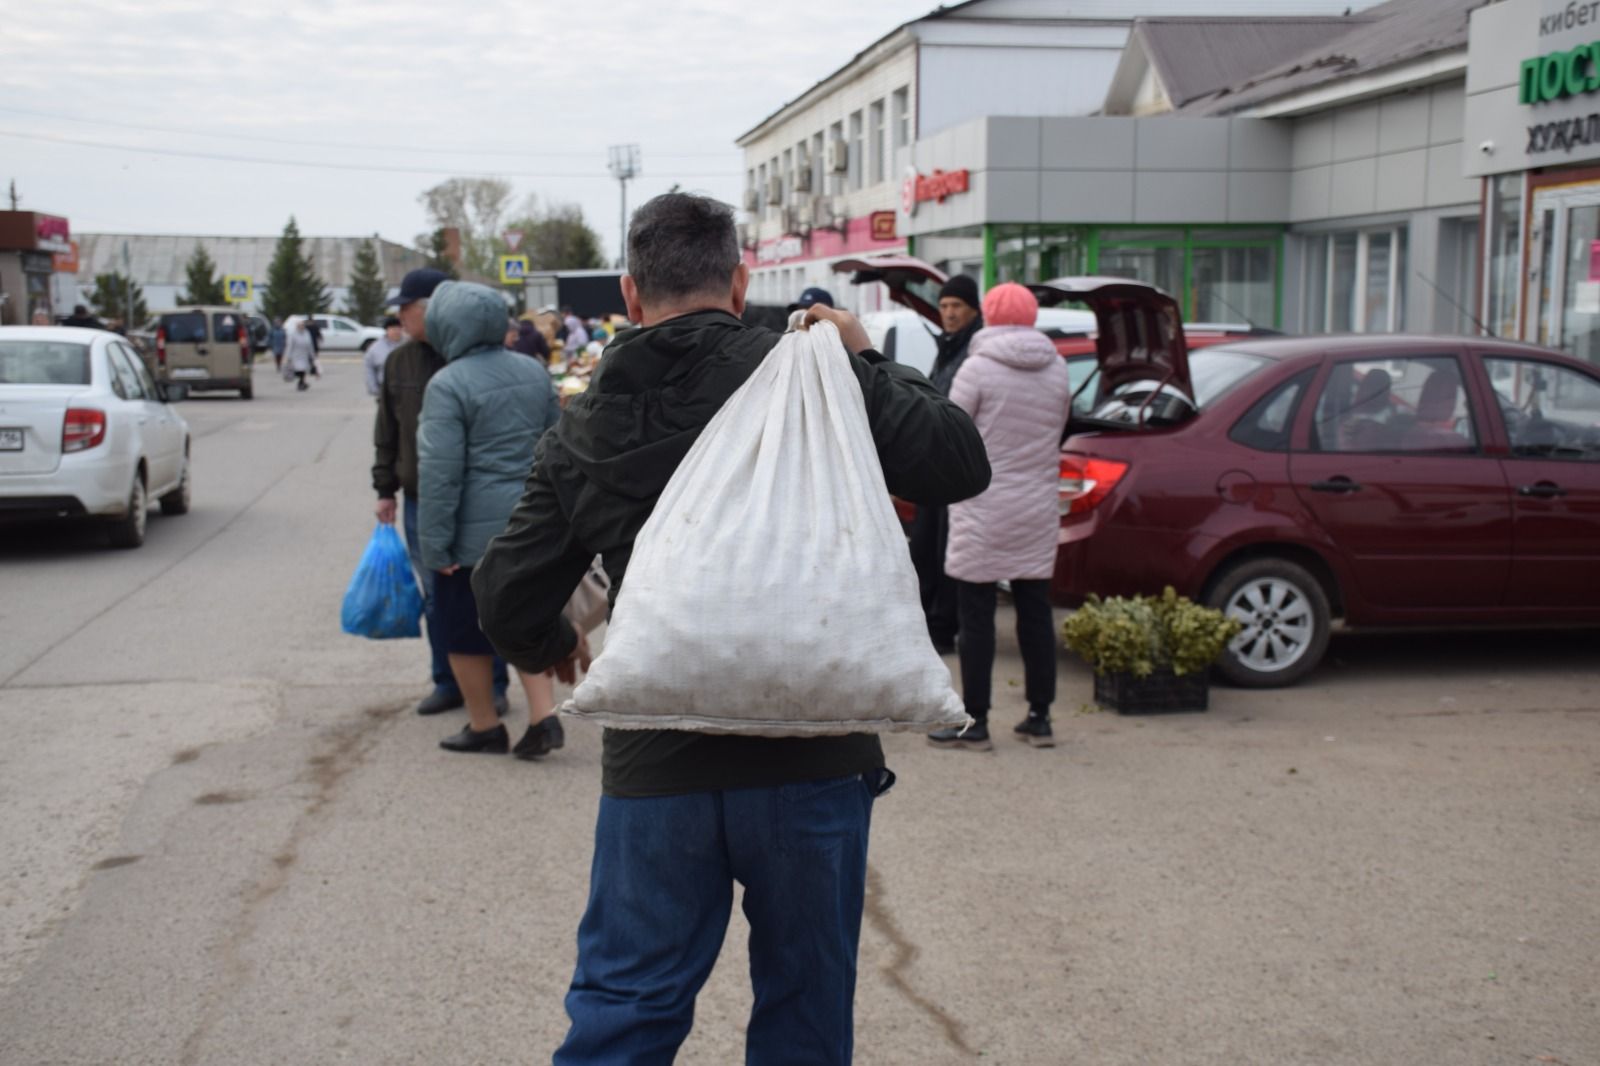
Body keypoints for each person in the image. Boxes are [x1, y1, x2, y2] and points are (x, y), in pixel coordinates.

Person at [473, 192, 989, 1063]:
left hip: (657, 765)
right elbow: (959, 462)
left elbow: (506, 595)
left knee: (627, 1007)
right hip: (813, 755)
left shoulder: (587, 422)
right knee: (804, 1008)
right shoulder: (814, 377)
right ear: (741, 283)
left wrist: (549, 646)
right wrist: (864, 354)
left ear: (630, 295)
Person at [418, 282, 564, 757]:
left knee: (463, 634)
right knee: (526, 621)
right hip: (529, 524)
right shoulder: (533, 370)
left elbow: (441, 473)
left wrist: (435, 545)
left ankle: (484, 725)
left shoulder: (448, 384)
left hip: (470, 539)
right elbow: (555, 444)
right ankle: (544, 715)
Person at [927, 283, 1071, 752]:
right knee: (1035, 611)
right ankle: (1040, 718)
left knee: (976, 616)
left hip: (982, 504)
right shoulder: (1057, 367)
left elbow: (953, 432)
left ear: (987, 314)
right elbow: (1058, 428)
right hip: (1036, 504)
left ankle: (977, 722)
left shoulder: (977, 367)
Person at [373, 269, 509, 717]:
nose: (400, 317)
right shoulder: (399, 362)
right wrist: (384, 488)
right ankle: (447, 682)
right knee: (437, 596)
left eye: (406, 308)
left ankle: (493, 686)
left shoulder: (475, 360)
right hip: (421, 499)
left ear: (434, 310)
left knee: (485, 593)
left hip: (478, 499)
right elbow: (387, 430)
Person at [909, 273, 983, 653]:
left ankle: (941, 627)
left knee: (944, 551)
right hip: (935, 462)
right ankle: (923, 622)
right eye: (944, 306)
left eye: (957, 306)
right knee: (923, 547)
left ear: (974, 310)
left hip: (957, 466)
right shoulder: (949, 346)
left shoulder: (974, 352)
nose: (949, 313)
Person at [363, 316, 403, 398]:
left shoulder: (408, 344)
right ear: (386, 330)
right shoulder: (375, 348)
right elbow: (369, 369)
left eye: (398, 328)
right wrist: (374, 389)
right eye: (393, 329)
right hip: (384, 390)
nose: (396, 331)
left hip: (406, 390)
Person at [283, 317, 317, 391]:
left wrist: (312, 355)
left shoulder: (306, 333)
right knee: (299, 369)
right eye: (300, 325)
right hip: (296, 354)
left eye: (302, 325)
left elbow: (310, 344)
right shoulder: (293, 334)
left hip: (304, 354)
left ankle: (301, 383)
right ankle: (301, 383)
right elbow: (289, 345)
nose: (301, 326)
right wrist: (287, 356)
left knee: (303, 370)